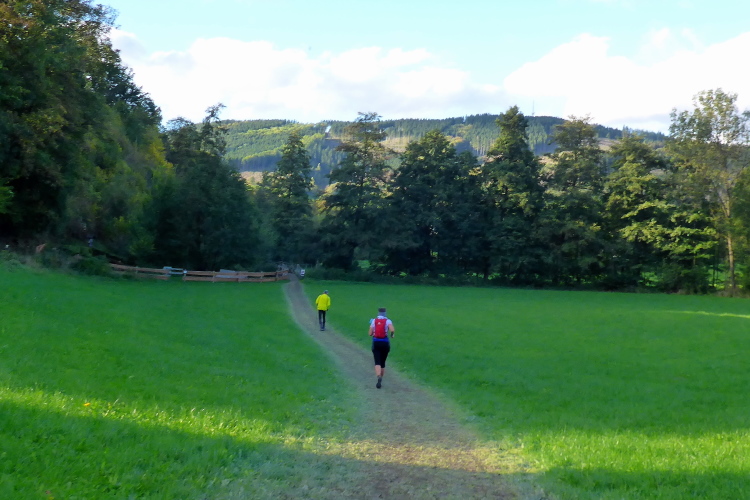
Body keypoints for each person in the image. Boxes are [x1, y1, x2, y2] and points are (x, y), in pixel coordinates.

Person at [369, 307, 395, 389]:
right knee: (383, 363)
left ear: (378, 313)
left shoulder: (374, 320)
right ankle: (381, 379)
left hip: (376, 343)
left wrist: (373, 332)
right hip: (385, 343)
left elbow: (370, 333)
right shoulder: (388, 321)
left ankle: (378, 376)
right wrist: (392, 335)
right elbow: (392, 330)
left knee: (377, 362)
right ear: (385, 313)